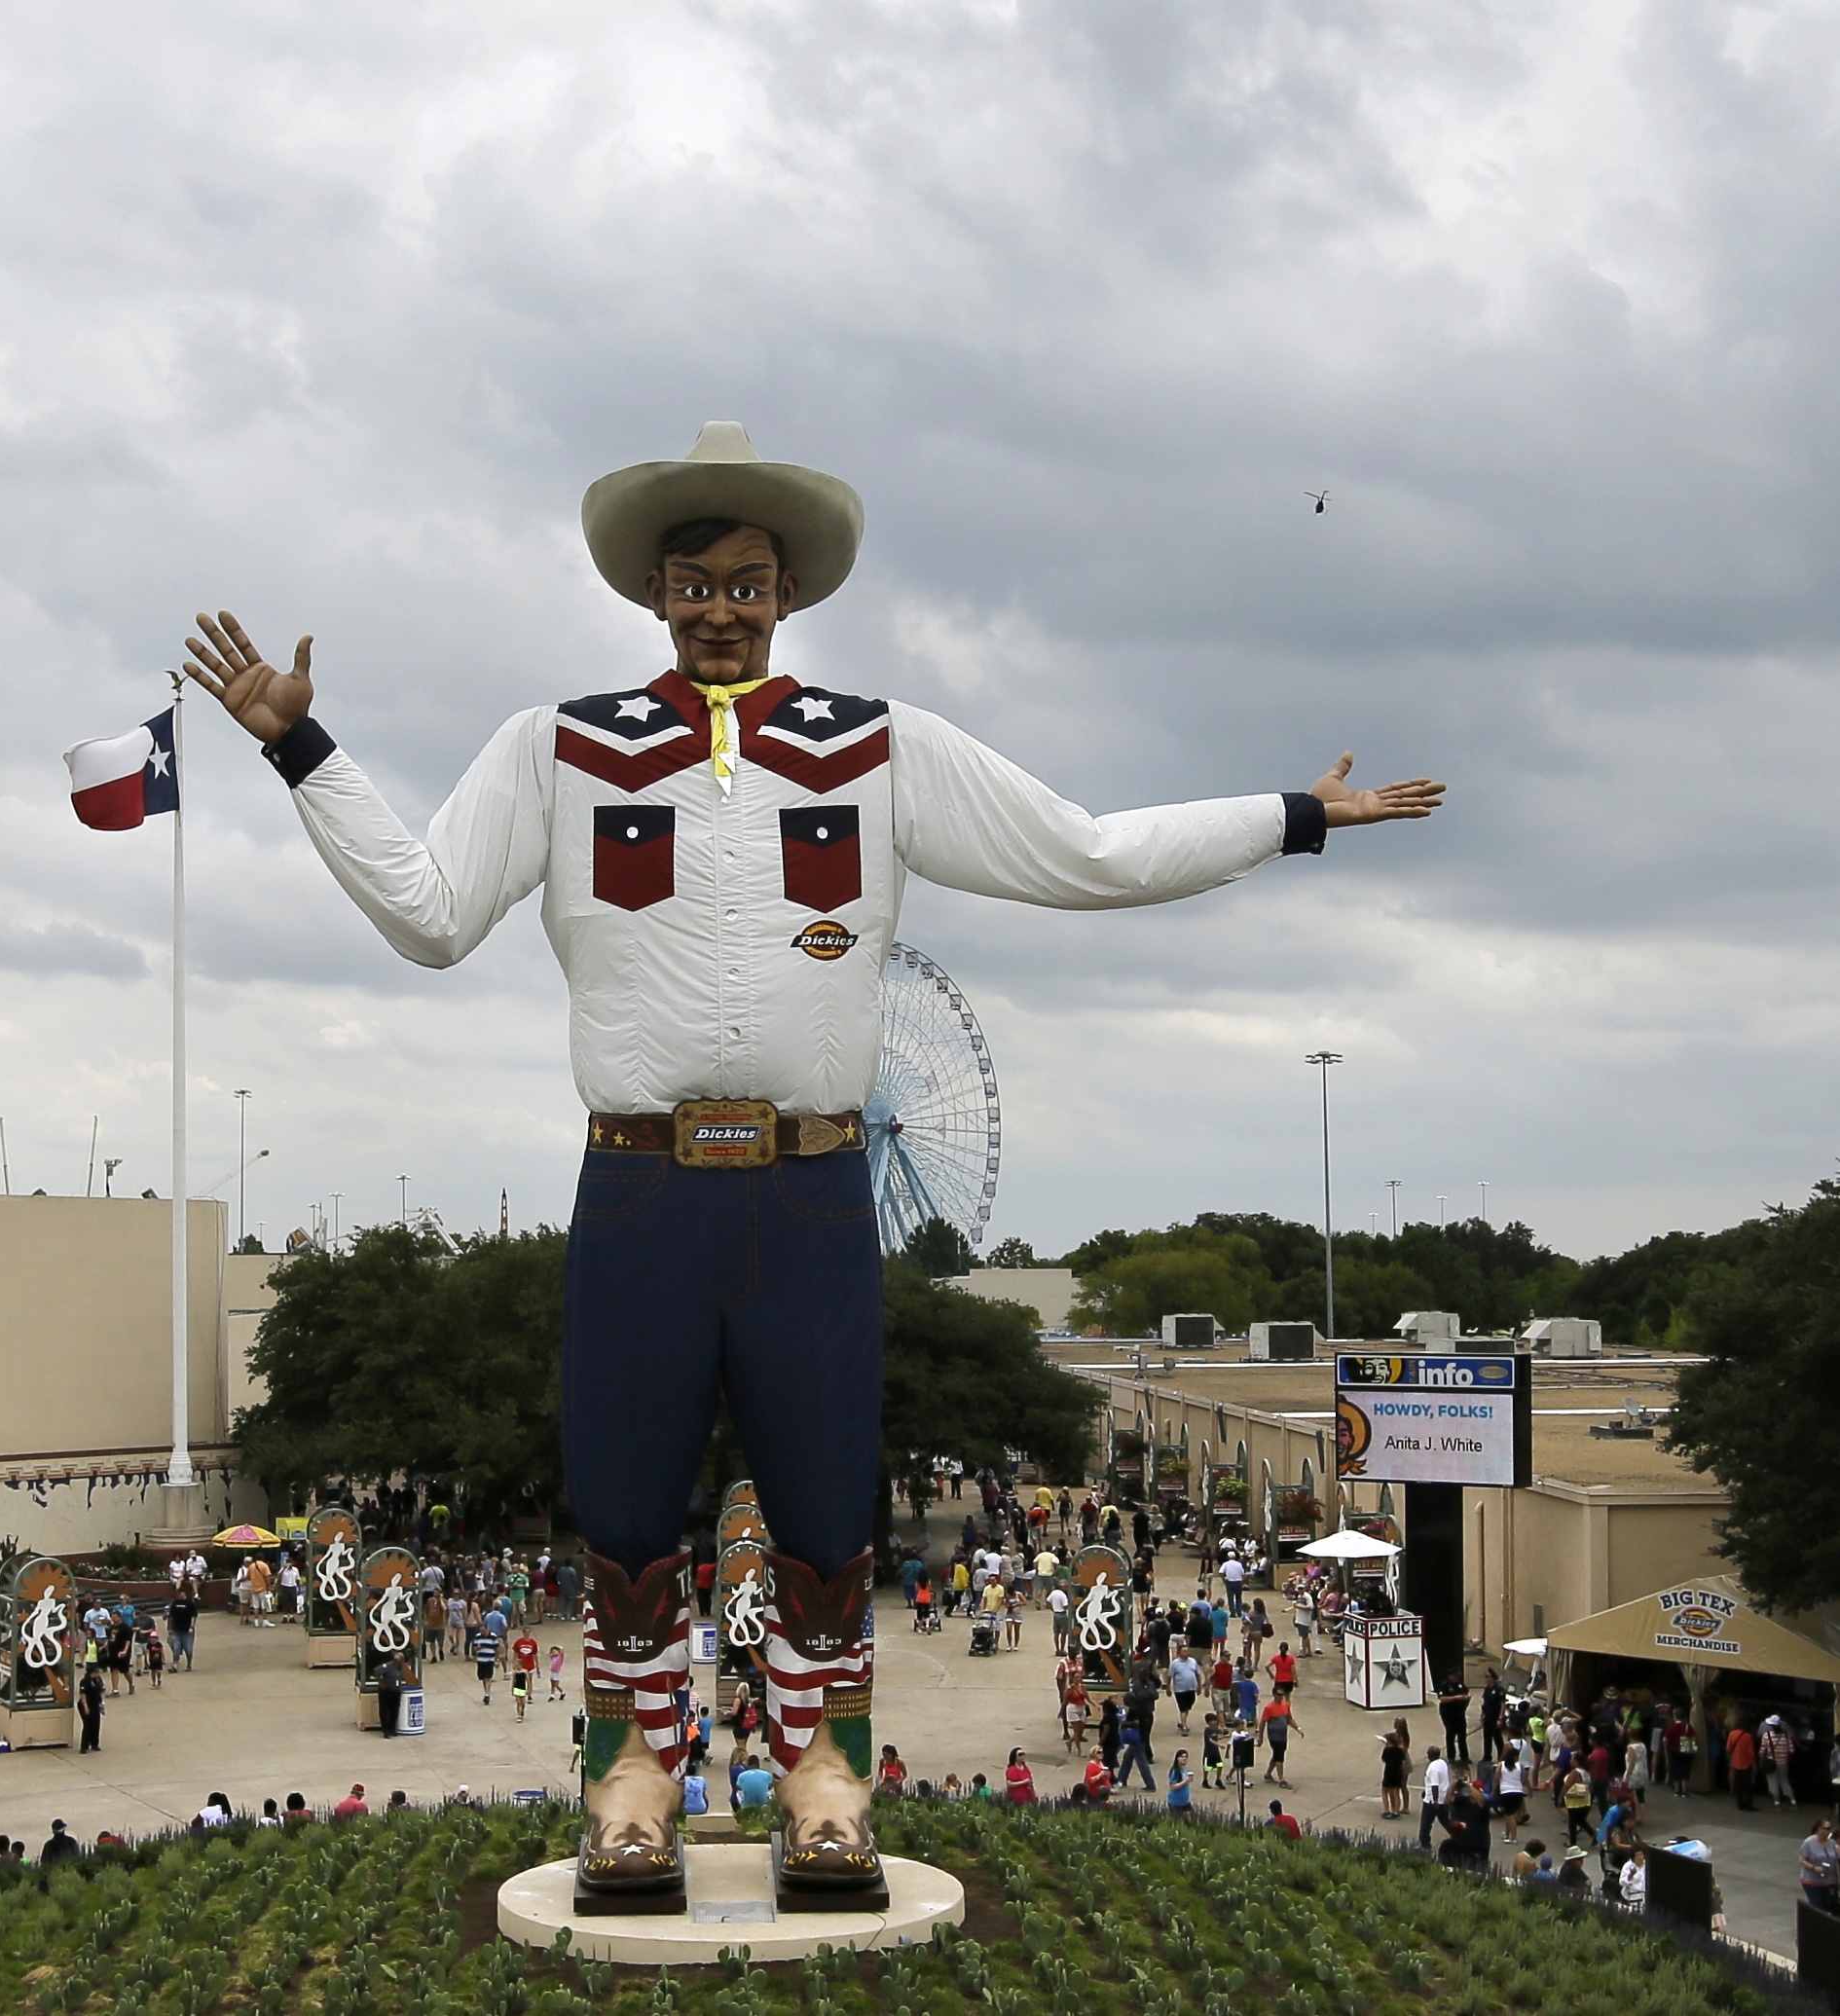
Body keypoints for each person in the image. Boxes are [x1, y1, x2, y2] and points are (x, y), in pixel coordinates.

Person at [185, 433, 1448, 1907]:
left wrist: (1291, 817)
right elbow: (428, 911)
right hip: (644, 1179)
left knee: (830, 1509)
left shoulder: (880, 744)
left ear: (789, 592)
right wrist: (300, 747)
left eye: (748, 583)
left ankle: (824, 1773)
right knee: (629, 1507)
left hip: (812, 1184)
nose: (721, 606)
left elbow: (1087, 851)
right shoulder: (561, 745)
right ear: (653, 591)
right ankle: (634, 1776)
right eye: (695, 582)